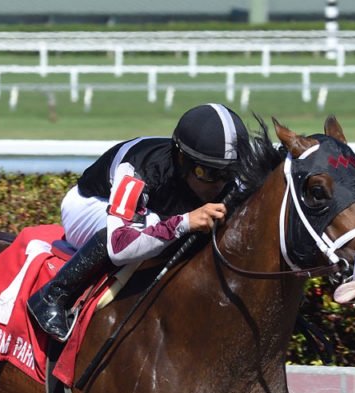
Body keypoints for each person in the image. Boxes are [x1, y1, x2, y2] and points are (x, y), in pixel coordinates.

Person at [27, 102, 251, 341]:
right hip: (88, 207)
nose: (218, 185)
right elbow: (118, 246)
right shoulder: (139, 169)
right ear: (182, 159)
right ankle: (53, 296)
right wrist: (184, 222)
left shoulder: (222, 176)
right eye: (207, 173)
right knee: (152, 221)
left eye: (228, 174)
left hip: (148, 211)